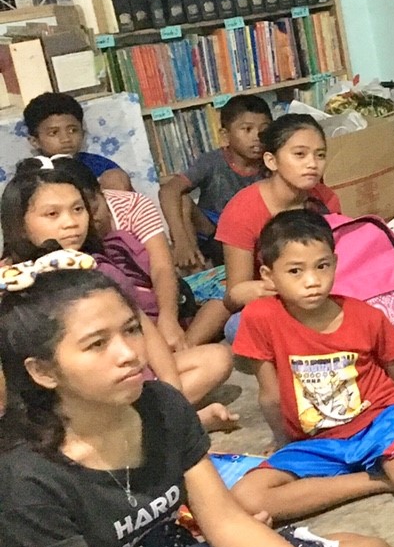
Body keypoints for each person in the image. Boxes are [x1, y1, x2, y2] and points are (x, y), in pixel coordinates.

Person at [0, 257, 394, 547]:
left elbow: (226, 524)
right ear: (43, 371)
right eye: (97, 344)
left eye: (131, 330)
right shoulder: (24, 478)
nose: (129, 353)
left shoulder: (161, 406)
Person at [231, 211, 394, 523]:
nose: (312, 281)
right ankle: (380, 481)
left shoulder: (366, 317)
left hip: (376, 423)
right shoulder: (260, 318)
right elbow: (270, 396)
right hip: (316, 441)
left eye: (322, 266)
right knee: (247, 498)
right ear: (268, 276)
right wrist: (282, 441)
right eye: (295, 271)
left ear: (335, 263)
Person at [0, 159, 235, 431]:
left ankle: (164, 426)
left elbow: (145, 330)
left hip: (119, 380)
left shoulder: (99, 268)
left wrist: (175, 402)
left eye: (78, 209)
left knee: (217, 358)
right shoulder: (10, 283)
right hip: (55, 400)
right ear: (19, 225)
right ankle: (157, 428)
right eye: (52, 214)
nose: (71, 223)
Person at [77, 158, 231, 349]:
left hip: (162, 296)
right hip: (123, 315)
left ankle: (180, 349)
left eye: (95, 209)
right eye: (81, 211)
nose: (92, 219)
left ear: (102, 194)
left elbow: (162, 268)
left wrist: (168, 320)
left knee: (229, 287)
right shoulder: (68, 235)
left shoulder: (132, 207)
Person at [216, 113, 341, 312]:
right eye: (300, 154)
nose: (312, 164)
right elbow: (234, 297)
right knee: (234, 324)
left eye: (320, 155)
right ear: (271, 161)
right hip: (271, 303)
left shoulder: (327, 199)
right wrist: (279, 287)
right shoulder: (241, 211)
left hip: (322, 295)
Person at [158, 93, 271, 270]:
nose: (257, 136)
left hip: (253, 233)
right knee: (183, 199)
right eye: (247, 129)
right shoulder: (212, 161)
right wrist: (181, 240)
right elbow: (168, 190)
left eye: (264, 130)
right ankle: (194, 267)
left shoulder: (271, 161)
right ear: (225, 135)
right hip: (212, 231)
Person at [23, 92, 131, 192]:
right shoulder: (31, 175)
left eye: (72, 130)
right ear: (34, 141)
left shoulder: (99, 166)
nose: (66, 139)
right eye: (54, 133)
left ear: (83, 133)